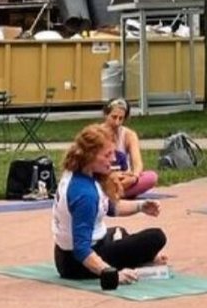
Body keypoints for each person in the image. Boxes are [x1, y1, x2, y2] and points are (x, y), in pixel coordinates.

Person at [52, 125, 166, 282]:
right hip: (77, 265)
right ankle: (140, 259)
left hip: (63, 255)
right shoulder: (85, 194)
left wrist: (141, 206)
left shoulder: (78, 173)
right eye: (107, 155)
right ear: (90, 156)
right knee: (156, 237)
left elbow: (110, 208)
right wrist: (111, 274)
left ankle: (140, 257)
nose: (113, 159)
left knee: (119, 231)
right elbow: (81, 249)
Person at [100, 98, 158, 199]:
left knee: (151, 177)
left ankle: (110, 195)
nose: (117, 122)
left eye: (121, 118)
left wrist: (134, 177)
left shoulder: (129, 135)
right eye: (114, 117)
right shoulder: (95, 133)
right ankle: (113, 194)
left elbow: (137, 163)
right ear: (106, 115)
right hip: (102, 178)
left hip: (123, 179)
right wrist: (111, 176)